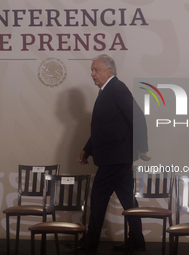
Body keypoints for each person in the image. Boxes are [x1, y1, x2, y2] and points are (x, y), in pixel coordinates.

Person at [75, 54, 151, 253]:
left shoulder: (117, 88)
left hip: (114, 159)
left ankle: (90, 245)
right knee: (128, 202)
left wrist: (142, 147)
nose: (92, 74)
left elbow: (138, 118)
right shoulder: (106, 91)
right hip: (118, 158)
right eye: (92, 70)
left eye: (96, 70)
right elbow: (103, 128)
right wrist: (86, 149)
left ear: (109, 71)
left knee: (98, 201)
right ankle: (137, 241)